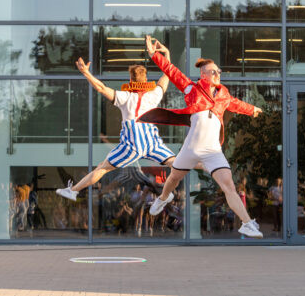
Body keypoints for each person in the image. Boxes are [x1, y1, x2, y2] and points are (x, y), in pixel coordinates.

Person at [139, 35, 264, 238]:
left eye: (219, 71)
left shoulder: (224, 96)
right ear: (203, 74)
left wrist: (253, 109)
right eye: (213, 71)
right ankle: (163, 198)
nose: (218, 74)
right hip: (191, 148)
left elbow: (238, 105)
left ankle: (247, 223)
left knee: (229, 186)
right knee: (172, 179)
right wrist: (154, 54)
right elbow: (172, 72)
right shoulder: (192, 89)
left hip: (213, 151)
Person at [55, 44, 176, 201]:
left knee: (102, 168)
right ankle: (170, 191)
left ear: (131, 81)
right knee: (176, 163)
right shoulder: (153, 96)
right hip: (151, 142)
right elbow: (167, 75)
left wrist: (86, 73)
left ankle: (74, 190)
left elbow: (101, 88)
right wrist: (167, 53)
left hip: (132, 145)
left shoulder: (125, 97)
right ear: (145, 80)